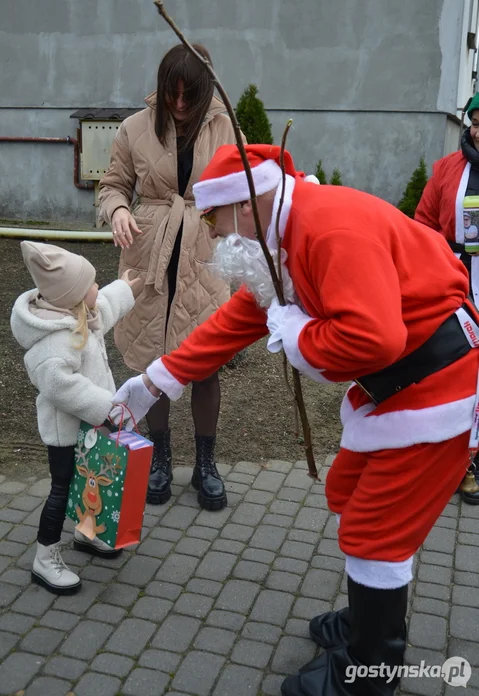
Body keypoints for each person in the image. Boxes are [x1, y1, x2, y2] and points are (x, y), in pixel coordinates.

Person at [113, 143, 479, 696]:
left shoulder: (326, 227)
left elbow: (373, 338)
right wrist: (151, 383)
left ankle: (370, 670)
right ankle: (367, 620)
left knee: (374, 530)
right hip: (403, 389)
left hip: (436, 389)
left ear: (247, 203)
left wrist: (295, 332)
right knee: (349, 492)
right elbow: (243, 317)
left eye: (212, 217)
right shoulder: (283, 234)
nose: (210, 233)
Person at [98, 44, 243, 511]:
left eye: (190, 95)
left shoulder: (226, 126)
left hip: (206, 256)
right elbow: (113, 184)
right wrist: (118, 209)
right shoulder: (134, 128)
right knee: (151, 362)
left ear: (206, 90)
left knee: (205, 364)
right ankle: (159, 456)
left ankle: (206, 463)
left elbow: (246, 191)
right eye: (171, 94)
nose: (179, 105)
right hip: (149, 256)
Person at [10, 242, 147, 594]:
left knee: (92, 483)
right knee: (62, 487)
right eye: (92, 283)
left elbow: (105, 306)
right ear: (72, 296)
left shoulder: (79, 313)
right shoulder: (54, 343)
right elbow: (62, 387)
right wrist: (110, 410)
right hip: (66, 433)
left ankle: (87, 534)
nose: (97, 288)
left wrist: (125, 288)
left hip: (90, 427)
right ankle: (45, 557)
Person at [415, 92, 479, 505]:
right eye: (477, 121)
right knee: (460, 367)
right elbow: (422, 224)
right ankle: (461, 463)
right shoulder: (446, 169)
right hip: (456, 275)